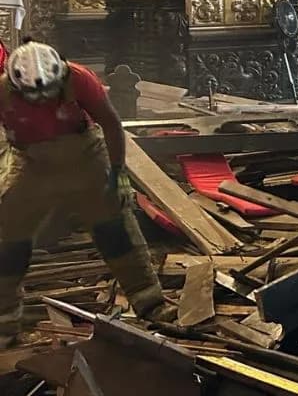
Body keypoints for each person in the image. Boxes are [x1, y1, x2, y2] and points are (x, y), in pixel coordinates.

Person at [0, 40, 175, 347]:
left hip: (84, 156)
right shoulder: (3, 91)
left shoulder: (79, 78)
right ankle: (4, 321)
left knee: (114, 227)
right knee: (8, 238)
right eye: (33, 96)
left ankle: (150, 303)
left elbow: (111, 123)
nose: (42, 101)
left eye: (48, 93)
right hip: (32, 162)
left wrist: (118, 173)